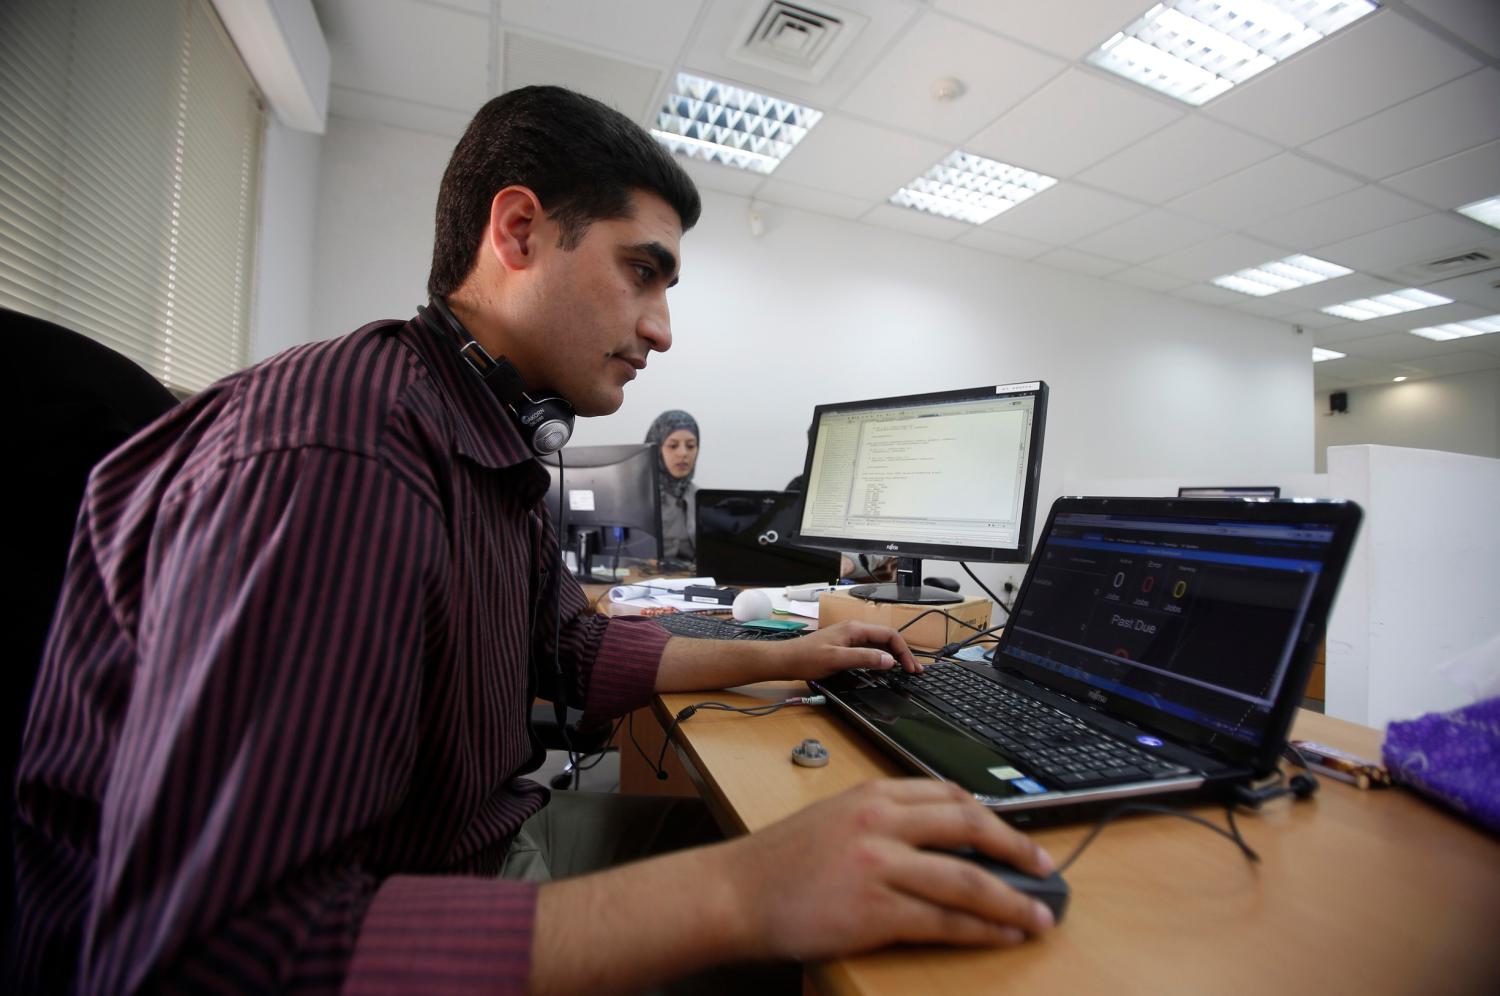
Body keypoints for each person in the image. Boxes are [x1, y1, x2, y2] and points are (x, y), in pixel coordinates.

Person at [13, 86, 1055, 995]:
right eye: (642, 273)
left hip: (456, 857)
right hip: (386, 919)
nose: (662, 330)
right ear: (516, 232)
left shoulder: (477, 434)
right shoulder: (347, 454)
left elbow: (575, 648)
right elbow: (211, 955)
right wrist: (748, 892)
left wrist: (791, 656)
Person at [646, 409, 699, 564]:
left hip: (692, 582)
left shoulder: (700, 496)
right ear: (657, 449)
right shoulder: (637, 497)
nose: (683, 453)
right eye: (673, 445)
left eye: (690, 446)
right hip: (641, 581)